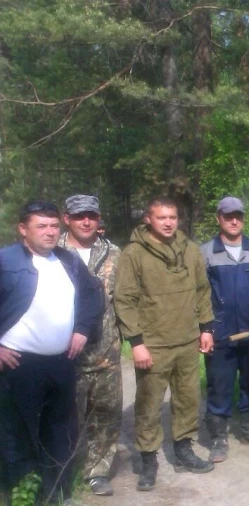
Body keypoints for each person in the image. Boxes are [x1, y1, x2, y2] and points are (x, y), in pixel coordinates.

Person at [0, 201, 103, 505]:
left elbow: (92, 294)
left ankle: (58, 492)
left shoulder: (68, 261)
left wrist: (82, 328)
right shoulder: (5, 261)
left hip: (61, 363)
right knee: (17, 433)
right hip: (19, 365)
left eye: (54, 226)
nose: (50, 232)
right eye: (41, 226)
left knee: (59, 430)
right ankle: (23, 495)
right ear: (23, 229)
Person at [115, 196, 216, 491]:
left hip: (187, 340)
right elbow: (124, 299)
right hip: (154, 344)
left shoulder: (190, 249)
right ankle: (148, 460)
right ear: (148, 219)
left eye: (172, 217)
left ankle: (184, 450)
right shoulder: (134, 254)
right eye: (161, 218)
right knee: (149, 405)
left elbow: (202, 290)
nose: (168, 223)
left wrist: (206, 328)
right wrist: (136, 342)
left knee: (188, 399)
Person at [200, 197, 249, 462]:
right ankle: (218, 436)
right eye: (228, 216)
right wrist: (205, 328)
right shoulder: (204, 253)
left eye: (238, 216)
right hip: (219, 331)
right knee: (219, 383)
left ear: (243, 218)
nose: (234, 221)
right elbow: (199, 294)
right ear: (218, 219)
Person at [59, 195, 122, 496]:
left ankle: (98, 471)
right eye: (79, 216)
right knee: (65, 416)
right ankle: (63, 473)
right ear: (66, 219)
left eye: (92, 216)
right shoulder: (53, 251)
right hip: (65, 353)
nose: (86, 221)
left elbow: (125, 298)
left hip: (106, 350)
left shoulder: (114, 253)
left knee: (107, 414)